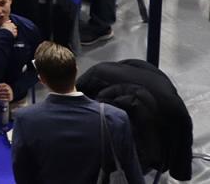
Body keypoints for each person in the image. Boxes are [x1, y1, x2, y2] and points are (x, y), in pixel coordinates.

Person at [11, 42, 145, 184]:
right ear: (76, 70)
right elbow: (133, 174)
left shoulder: (25, 119)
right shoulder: (116, 118)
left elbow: (23, 174)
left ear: (42, 79)